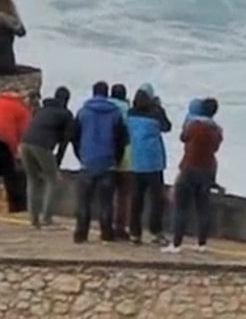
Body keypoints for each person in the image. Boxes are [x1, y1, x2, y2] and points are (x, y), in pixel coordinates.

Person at [163, 97, 224, 254]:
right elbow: (215, 148)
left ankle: (176, 244)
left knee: (181, 207)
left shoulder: (194, 126)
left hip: (189, 168)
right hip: (207, 170)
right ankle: (202, 244)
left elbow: (183, 137)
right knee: (203, 208)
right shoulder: (217, 130)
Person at [71, 80, 128, 243]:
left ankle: (81, 234)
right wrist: (116, 159)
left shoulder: (83, 112)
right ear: (107, 93)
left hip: (87, 162)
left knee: (83, 202)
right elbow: (122, 139)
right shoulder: (115, 113)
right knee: (106, 203)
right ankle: (107, 234)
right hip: (108, 163)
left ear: (93, 92)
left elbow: (74, 136)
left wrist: (80, 155)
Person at [19, 86, 75, 228]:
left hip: (24, 144)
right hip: (42, 146)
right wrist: (58, 160)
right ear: (66, 100)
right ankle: (47, 219)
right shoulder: (66, 114)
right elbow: (65, 141)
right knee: (53, 180)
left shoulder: (41, 110)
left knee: (33, 180)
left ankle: (33, 219)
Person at [127, 86, 171, 245]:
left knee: (136, 199)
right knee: (157, 199)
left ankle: (134, 233)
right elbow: (167, 127)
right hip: (153, 162)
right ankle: (155, 231)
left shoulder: (130, 113)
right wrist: (159, 107)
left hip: (137, 160)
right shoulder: (156, 112)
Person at [109, 83, 134, 240]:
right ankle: (120, 227)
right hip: (126, 156)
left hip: (106, 154)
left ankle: (107, 224)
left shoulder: (106, 109)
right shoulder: (129, 112)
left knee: (107, 193)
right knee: (123, 194)